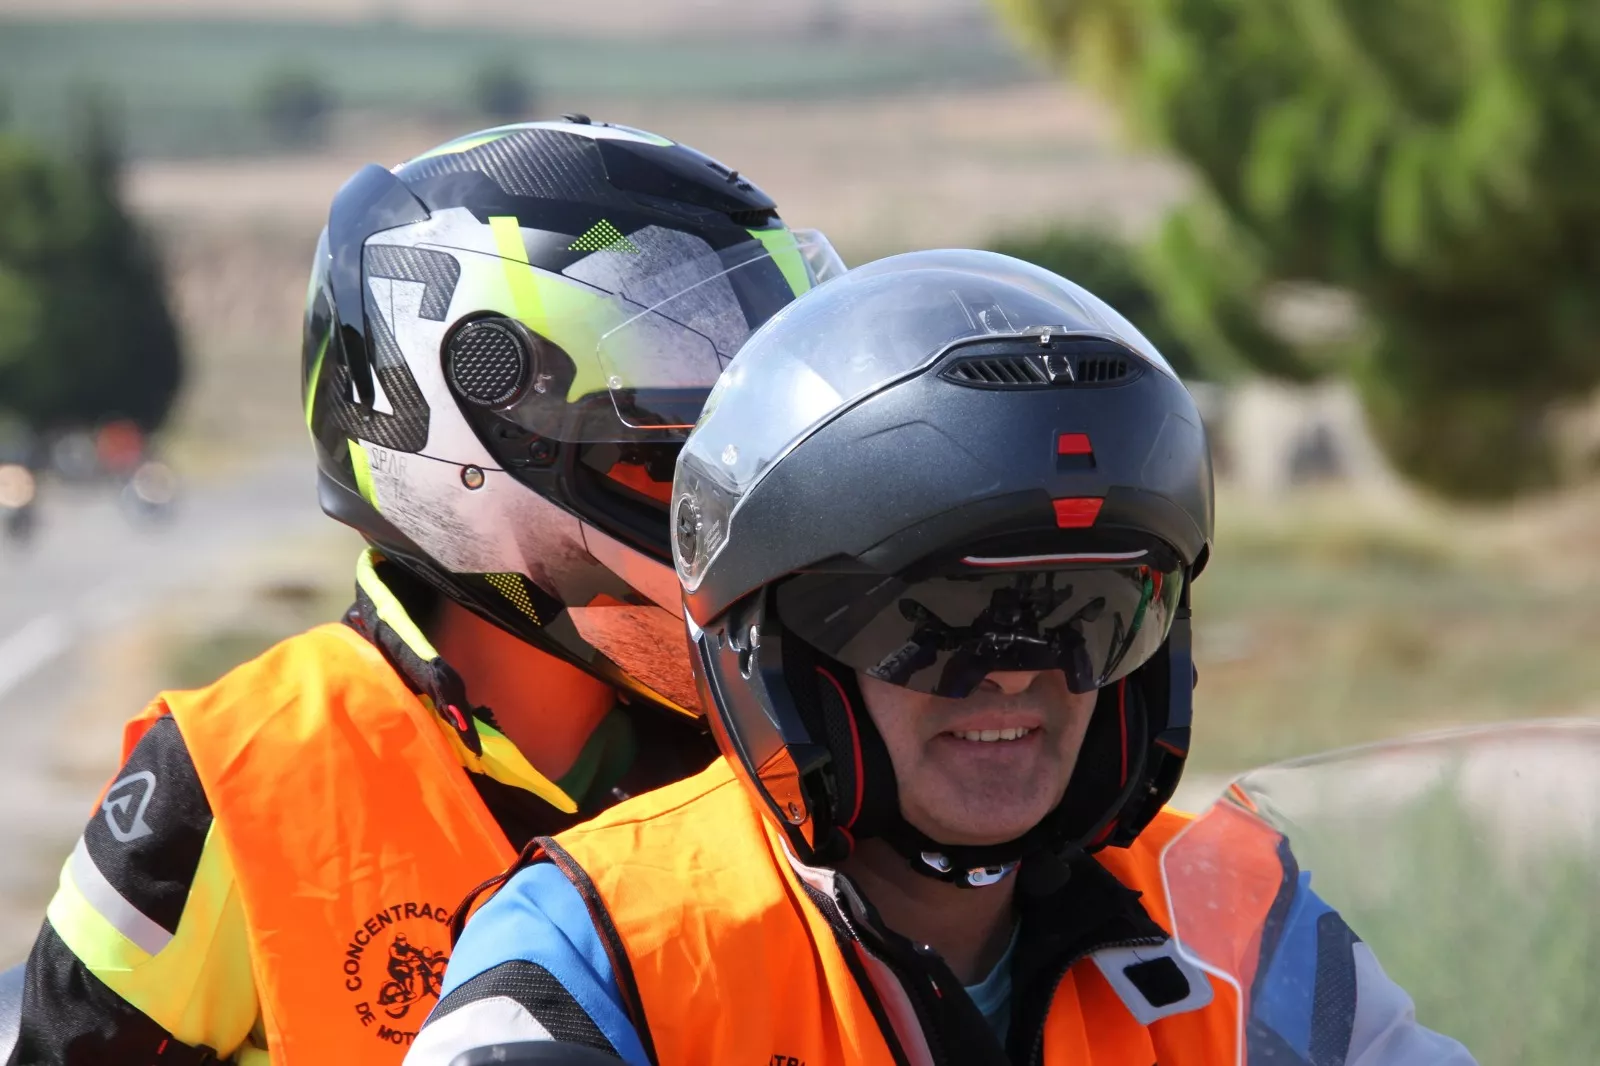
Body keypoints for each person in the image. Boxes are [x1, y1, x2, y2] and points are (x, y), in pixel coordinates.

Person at [408, 250, 1476, 1065]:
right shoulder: (607, 948)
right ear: (780, 643)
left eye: (1085, 610)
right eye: (942, 616)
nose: (1019, 672)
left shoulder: (1234, 915)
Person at [11, 117, 842, 1066]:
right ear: (472, 442)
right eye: (667, 465)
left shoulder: (790, 752)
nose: (722, 516)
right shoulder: (239, 774)